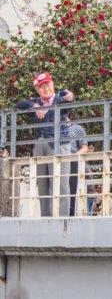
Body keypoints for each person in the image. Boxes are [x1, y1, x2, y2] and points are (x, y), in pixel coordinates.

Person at [16, 72, 74, 217]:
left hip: (59, 144)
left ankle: (62, 220)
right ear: (37, 89)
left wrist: (70, 95)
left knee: (61, 184)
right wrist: (36, 105)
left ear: (52, 84)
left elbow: (69, 100)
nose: (45, 88)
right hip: (40, 145)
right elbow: (20, 104)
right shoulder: (36, 102)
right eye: (41, 87)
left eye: (47, 85)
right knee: (42, 185)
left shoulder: (61, 96)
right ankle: (46, 218)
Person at [57, 111, 90, 217]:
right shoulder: (54, 128)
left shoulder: (78, 128)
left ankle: (70, 214)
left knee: (71, 189)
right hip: (58, 160)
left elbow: (85, 147)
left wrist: (75, 155)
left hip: (72, 159)